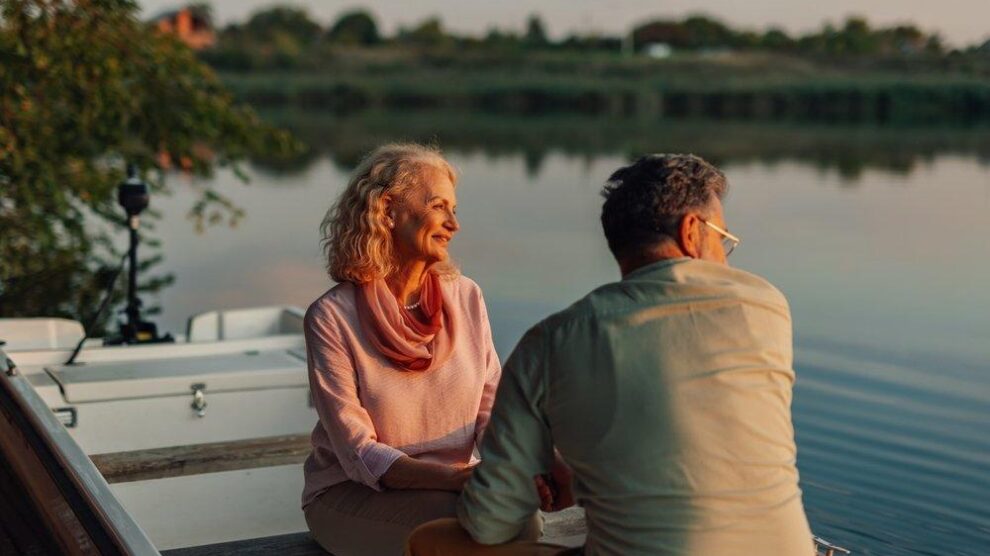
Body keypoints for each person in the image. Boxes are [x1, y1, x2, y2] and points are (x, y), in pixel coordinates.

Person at [407, 154, 815, 555]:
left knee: (429, 541)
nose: (724, 257)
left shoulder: (551, 342)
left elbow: (489, 523)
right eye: (722, 238)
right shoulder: (767, 306)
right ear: (692, 232)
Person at [302, 143, 536, 555]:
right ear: (387, 210)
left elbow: (492, 410)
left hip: (454, 487)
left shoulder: (466, 297)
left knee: (522, 519)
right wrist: (456, 480)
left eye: (454, 209)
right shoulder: (331, 317)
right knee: (469, 530)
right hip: (353, 493)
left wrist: (516, 468)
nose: (453, 224)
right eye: (438, 206)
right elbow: (358, 453)